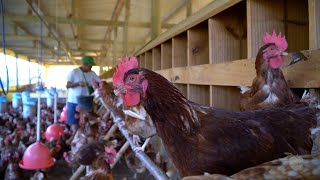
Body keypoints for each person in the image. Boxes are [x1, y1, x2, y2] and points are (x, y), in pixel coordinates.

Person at [66, 56, 100, 127]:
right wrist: (78, 84)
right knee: (74, 123)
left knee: (86, 122)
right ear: (85, 64)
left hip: (86, 101)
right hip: (73, 101)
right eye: (90, 66)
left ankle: (84, 135)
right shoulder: (74, 72)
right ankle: (75, 135)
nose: (91, 68)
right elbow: (68, 85)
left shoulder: (92, 73)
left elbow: (100, 81)